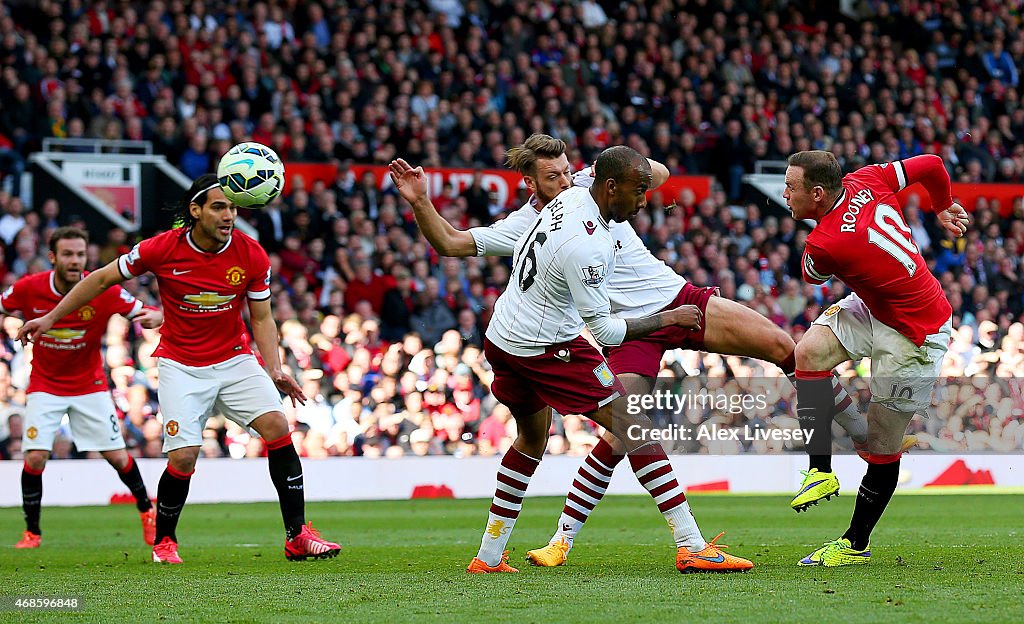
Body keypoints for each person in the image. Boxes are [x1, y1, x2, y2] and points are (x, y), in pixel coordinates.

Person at [390, 134, 862, 567]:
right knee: (628, 428)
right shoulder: (554, 229)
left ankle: (490, 555)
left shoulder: (584, 192)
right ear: (529, 184)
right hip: (601, 334)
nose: (562, 179)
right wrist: (422, 203)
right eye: (550, 176)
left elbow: (656, 174)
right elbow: (455, 245)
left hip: (639, 305)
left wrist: (614, 175)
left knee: (783, 346)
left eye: (567, 170)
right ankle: (663, 545)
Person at [18, 175, 341, 565]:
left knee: (277, 426)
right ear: (196, 210)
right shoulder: (161, 248)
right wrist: (51, 317)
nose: (228, 216)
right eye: (219, 207)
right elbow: (102, 278)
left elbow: (262, 318)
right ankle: (165, 541)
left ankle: (298, 536)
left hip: (235, 358)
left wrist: (274, 367)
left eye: (233, 208)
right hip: (181, 364)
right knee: (184, 458)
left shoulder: (252, 255)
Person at [783, 151, 968, 567]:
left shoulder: (826, 242)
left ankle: (855, 544)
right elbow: (934, 165)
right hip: (876, 304)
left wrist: (827, 224)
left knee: (884, 446)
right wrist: (941, 206)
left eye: (791, 188)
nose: (785, 194)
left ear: (816, 193)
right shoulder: (868, 177)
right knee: (808, 353)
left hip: (916, 333)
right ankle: (820, 469)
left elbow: (811, 274)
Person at [3, 227, 162, 549]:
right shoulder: (28, 288)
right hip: (44, 385)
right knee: (34, 458)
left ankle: (148, 510)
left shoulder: (102, 288)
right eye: (67, 254)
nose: (75, 261)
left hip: (89, 385)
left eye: (79, 254)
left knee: (117, 457)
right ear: (53, 258)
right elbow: (3, 304)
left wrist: (153, 316)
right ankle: (32, 532)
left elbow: (141, 311)